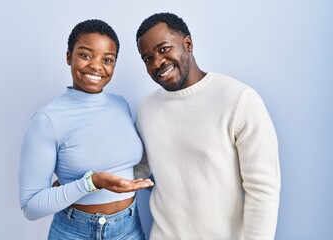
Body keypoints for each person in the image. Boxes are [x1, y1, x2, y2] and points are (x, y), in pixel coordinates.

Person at [134, 12, 281, 240]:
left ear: (188, 44)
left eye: (163, 49)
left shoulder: (239, 99)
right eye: (147, 58)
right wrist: (80, 179)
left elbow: (263, 191)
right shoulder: (147, 109)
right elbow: (136, 169)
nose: (157, 62)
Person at [18, 19, 153, 240]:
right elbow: (30, 206)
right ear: (68, 56)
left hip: (129, 227)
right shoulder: (47, 119)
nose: (96, 66)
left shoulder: (121, 104)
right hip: (75, 232)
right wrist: (90, 183)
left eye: (107, 59)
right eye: (85, 55)